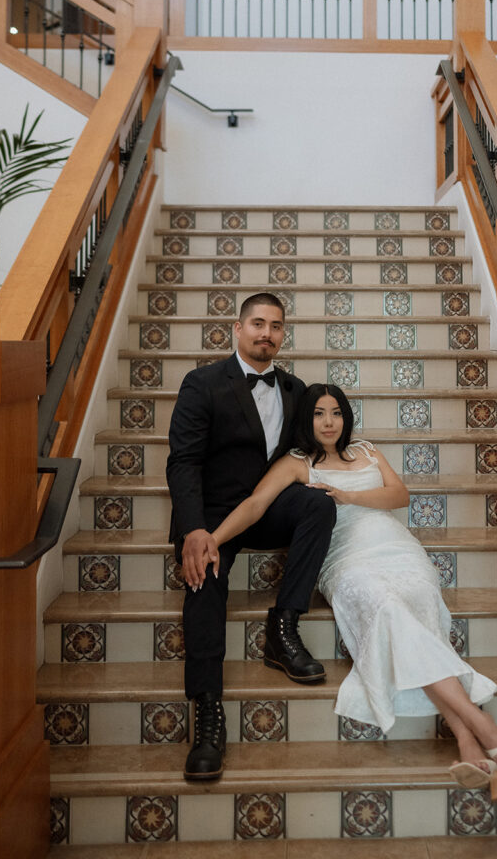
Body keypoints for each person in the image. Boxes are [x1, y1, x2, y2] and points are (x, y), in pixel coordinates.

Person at [203, 383, 497, 799]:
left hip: (398, 548)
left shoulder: (367, 451)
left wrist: (349, 495)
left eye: (335, 412)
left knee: (419, 604)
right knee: (389, 608)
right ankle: (482, 726)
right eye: (319, 413)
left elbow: (400, 495)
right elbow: (255, 505)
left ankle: (466, 740)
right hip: (347, 560)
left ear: (345, 417)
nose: (329, 421)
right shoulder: (296, 463)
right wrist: (213, 539)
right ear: (307, 419)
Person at [166, 295, 336, 781]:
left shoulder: (296, 388)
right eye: (258, 324)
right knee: (203, 580)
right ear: (237, 328)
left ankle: (283, 628)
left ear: (283, 334)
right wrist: (196, 528)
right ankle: (208, 714)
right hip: (213, 514)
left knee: (320, 506)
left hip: (268, 505)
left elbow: (314, 445)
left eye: (276, 326)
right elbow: (183, 462)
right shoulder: (202, 383)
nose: (267, 333)